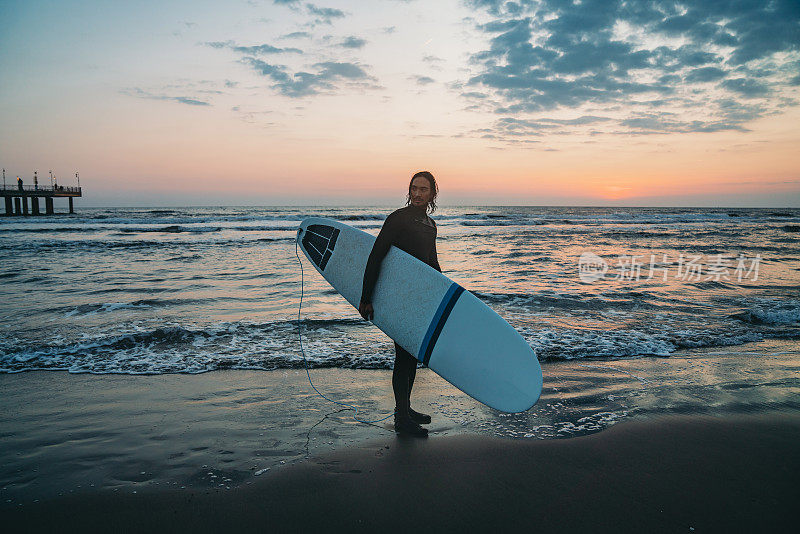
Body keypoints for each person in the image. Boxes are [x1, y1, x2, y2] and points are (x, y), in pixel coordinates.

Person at [359, 171, 441, 437]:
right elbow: (376, 257)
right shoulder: (398, 219)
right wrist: (366, 298)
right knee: (403, 356)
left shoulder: (430, 225)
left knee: (412, 355)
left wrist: (443, 293)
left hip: (419, 298)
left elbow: (432, 263)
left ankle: (406, 408)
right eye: (414, 188)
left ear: (432, 194)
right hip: (399, 297)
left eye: (423, 190)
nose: (417, 194)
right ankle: (401, 417)